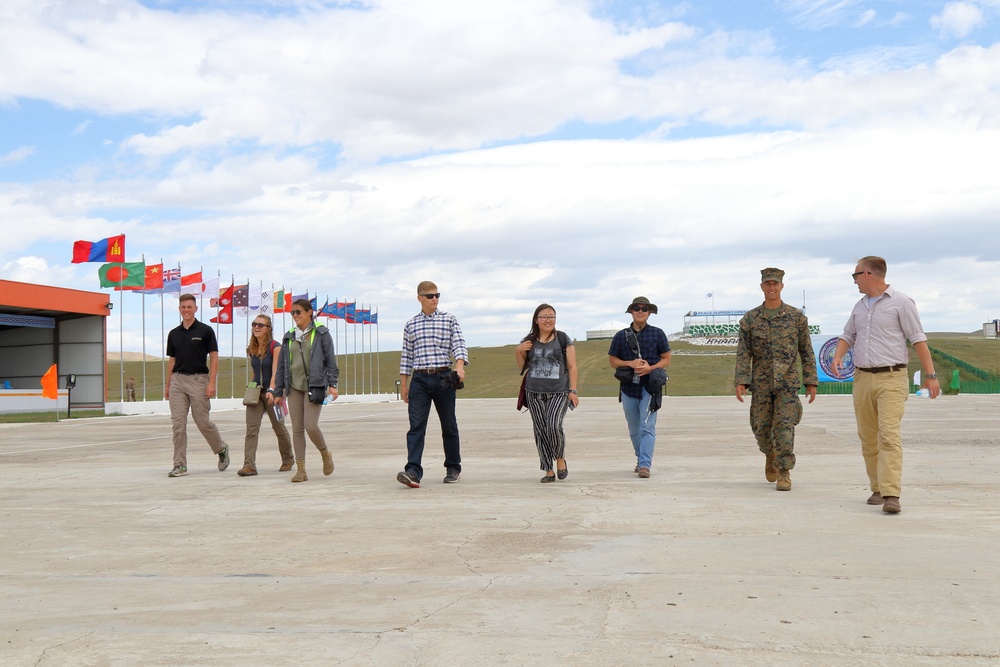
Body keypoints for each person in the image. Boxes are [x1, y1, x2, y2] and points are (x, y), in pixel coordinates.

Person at [833, 256, 940, 515]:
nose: (854, 281)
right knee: (868, 438)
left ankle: (892, 494)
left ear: (868, 274)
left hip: (891, 378)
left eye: (855, 275)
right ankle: (878, 488)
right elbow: (848, 334)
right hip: (862, 379)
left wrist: (931, 375)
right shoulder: (859, 307)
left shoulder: (901, 303)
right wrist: (838, 354)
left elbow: (918, 339)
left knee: (888, 434)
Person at [735, 268, 818, 492]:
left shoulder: (795, 317)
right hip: (760, 383)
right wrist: (741, 380)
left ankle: (784, 471)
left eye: (775, 283)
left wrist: (811, 381)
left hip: (787, 383)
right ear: (761, 286)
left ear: (782, 286)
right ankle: (769, 453)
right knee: (760, 427)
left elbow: (806, 351)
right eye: (767, 283)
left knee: (784, 427)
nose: (772, 287)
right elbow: (744, 352)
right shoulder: (751, 319)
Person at [397, 281, 469, 488]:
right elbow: (407, 355)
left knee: (449, 424)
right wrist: (404, 383)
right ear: (419, 298)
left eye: (437, 295)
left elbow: (459, 343)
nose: (435, 298)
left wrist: (460, 365)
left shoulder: (449, 320)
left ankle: (453, 467)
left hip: (443, 377)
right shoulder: (411, 324)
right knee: (416, 426)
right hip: (419, 379)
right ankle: (413, 471)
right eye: (430, 296)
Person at [164, 293, 230, 477]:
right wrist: (168, 384)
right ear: (179, 309)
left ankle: (221, 448)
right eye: (183, 307)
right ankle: (180, 465)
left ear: (195, 309)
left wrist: (212, 382)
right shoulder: (174, 334)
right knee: (178, 425)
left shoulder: (205, 331)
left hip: (199, 380)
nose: (186, 310)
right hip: (178, 380)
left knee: (202, 422)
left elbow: (214, 357)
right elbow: (172, 360)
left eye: (189, 307)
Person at [274, 299, 339, 483]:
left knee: (310, 425)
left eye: (298, 312)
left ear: (309, 312)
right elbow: (282, 366)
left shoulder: (321, 333)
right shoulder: (289, 336)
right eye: (292, 313)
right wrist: (279, 391)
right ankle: (301, 469)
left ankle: (325, 453)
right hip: (294, 386)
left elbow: (330, 361)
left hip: (314, 385)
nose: (295, 316)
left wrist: (332, 384)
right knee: (296, 429)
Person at [608, 296, 672, 478]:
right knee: (634, 429)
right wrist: (631, 363)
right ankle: (639, 457)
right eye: (637, 308)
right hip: (629, 388)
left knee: (647, 426)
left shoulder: (657, 333)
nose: (641, 311)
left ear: (649, 312)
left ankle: (645, 464)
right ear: (631, 311)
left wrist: (650, 368)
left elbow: (666, 358)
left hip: (650, 388)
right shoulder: (621, 336)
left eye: (645, 309)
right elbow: (612, 361)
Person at [515, 304, 579, 483]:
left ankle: (560, 458)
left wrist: (573, 391)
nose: (548, 320)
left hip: (559, 391)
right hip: (533, 391)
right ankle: (548, 469)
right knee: (540, 430)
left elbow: (573, 366)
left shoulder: (563, 339)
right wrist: (518, 351)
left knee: (553, 426)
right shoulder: (529, 340)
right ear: (536, 320)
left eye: (552, 316)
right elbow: (523, 367)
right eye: (544, 317)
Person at [238, 314, 294, 476]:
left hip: (273, 393)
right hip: (256, 393)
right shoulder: (251, 349)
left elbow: (276, 371)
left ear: (268, 329)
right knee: (251, 429)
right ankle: (249, 465)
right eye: (254, 324)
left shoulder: (275, 347)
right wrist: (252, 387)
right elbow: (255, 371)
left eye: (261, 325)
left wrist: (272, 390)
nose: (256, 327)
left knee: (279, 428)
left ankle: (288, 459)